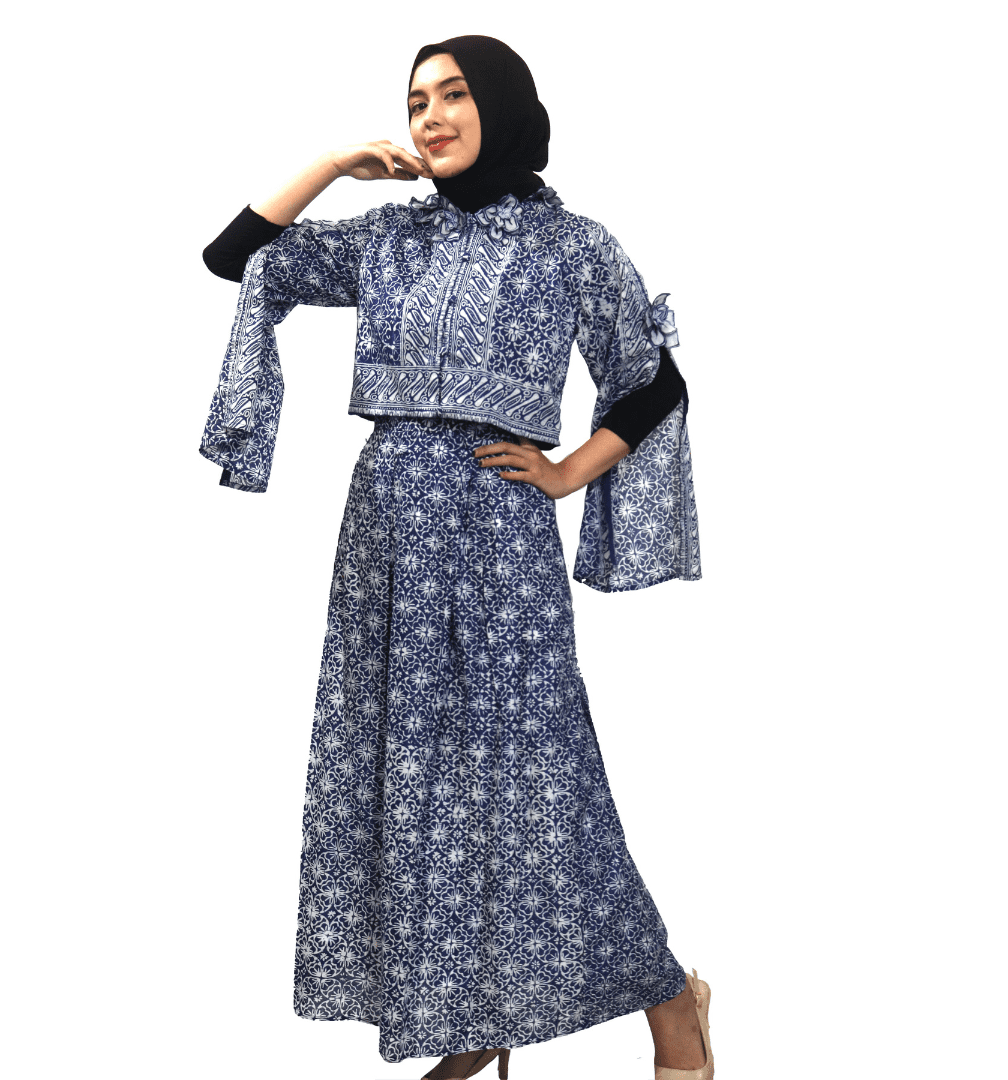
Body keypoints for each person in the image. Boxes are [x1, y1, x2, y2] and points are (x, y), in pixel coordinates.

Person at [199, 35, 712, 1080]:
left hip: (498, 533)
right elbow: (235, 257)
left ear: (505, 106)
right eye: (415, 101)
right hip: (386, 529)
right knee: (408, 771)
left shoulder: (570, 247)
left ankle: (673, 1002)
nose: (430, 117)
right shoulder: (387, 238)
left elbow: (654, 380)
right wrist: (335, 163)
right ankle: (476, 1020)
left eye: (454, 95)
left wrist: (568, 473)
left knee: (537, 777)